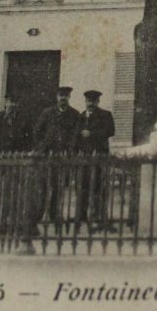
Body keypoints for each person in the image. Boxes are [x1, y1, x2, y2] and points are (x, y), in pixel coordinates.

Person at [33, 87, 82, 225]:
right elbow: (37, 131)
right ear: (56, 97)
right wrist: (42, 148)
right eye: (61, 95)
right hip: (47, 155)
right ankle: (39, 214)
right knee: (43, 186)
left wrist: (70, 150)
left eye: (66, 96)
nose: (63, 98)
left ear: (69, 97)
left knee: (58, 186)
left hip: (63, 156)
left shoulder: (74, 114)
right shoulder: (47, 113)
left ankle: (54, 215)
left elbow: (75, 135)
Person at [75, 89, 116, 226]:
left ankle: (99, 217)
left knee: (99, 187)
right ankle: (82, 217)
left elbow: (110, 130)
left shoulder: (105, 115)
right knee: (83, 186)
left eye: (93, 101)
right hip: (84, 157)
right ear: (85, 102)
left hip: (100, 156)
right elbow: (76, 135)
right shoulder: (81, 116)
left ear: (98, 101)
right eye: (88, 101)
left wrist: (91, 134)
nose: (90, 104)